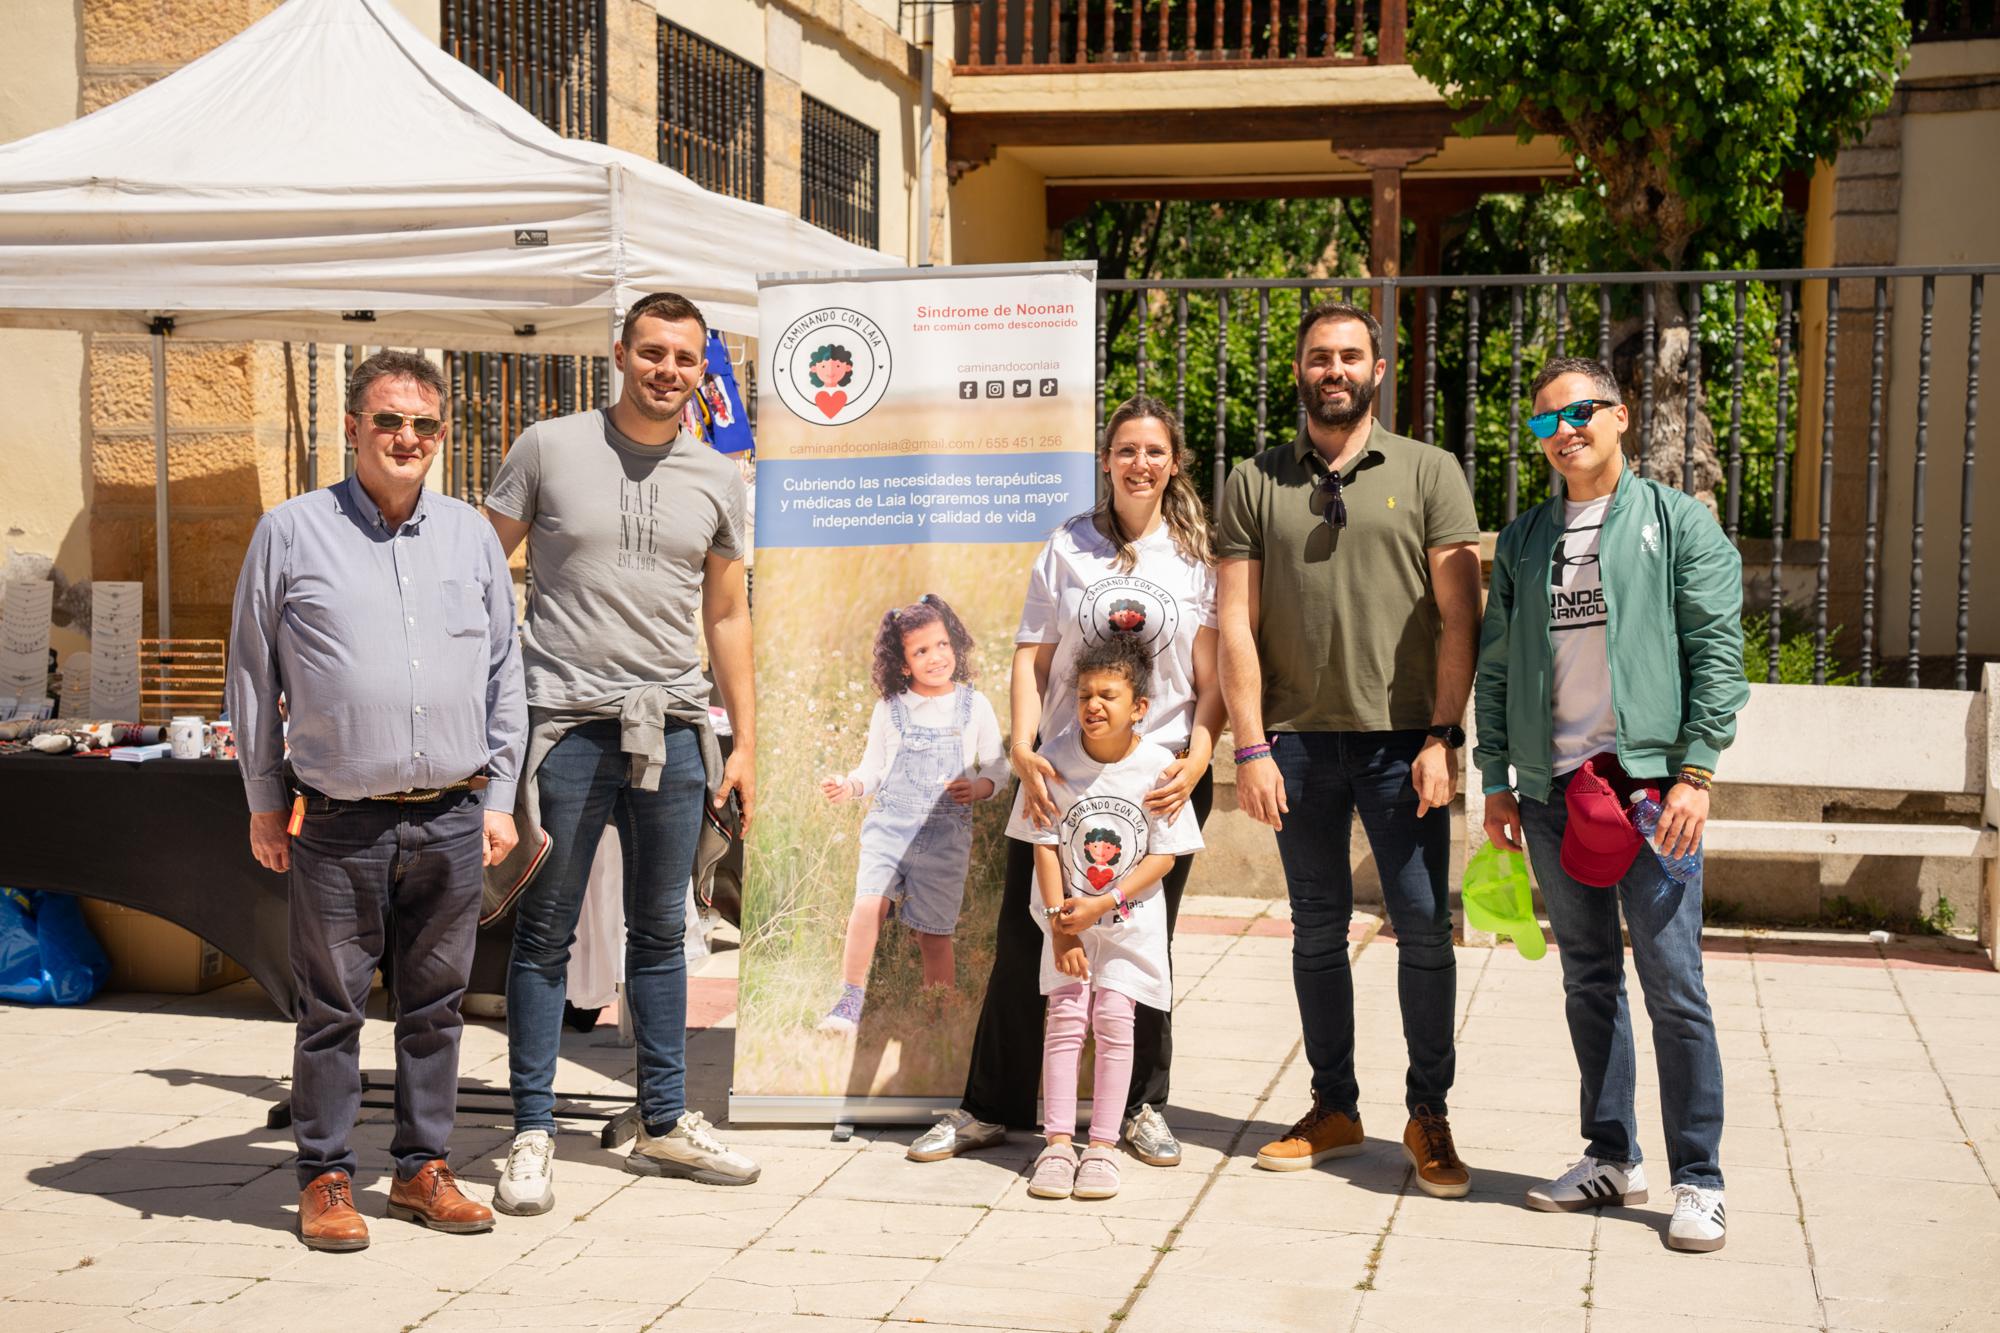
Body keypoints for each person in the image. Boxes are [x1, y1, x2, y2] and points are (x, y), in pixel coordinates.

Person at [226, 349, 525, 1252]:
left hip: (453, 814)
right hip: (339, 819)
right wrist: (262, 798)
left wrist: (501, 795)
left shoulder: (472, 536)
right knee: (331, 1009)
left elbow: (505, 672)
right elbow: (252, 672)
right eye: (389, 420)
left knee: (437, 1007)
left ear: (443, 435)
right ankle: (324, 1175)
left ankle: (421, 1169)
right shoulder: (289, 531)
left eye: (424, 424)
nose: (407, 437)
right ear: (353, 428)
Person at [482, 290, 760, 1214]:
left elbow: (727, 614)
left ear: (702, 368)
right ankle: (531, 1130)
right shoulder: (548, 446)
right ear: (619, 352)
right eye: (651, 352)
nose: (667, 370)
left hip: (673, 725)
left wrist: (744, 741)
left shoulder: (717, 475)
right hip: (561, 722)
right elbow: (478, 574)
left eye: (684, 357)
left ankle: (664, 1119)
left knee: (663, 930)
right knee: (544, 932)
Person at [1476, 356, 1747, 1253]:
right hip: (1554, 794)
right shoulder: (1523, 541)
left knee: (1675, 987)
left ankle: (1700, 1177)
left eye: (1580, 412)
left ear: (1621, 416)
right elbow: (1498, 666)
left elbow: (1717, 651)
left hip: (1654, 794)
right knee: (1588, 980)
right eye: (1545, 421)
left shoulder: (1678, 523)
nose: (1564, 431)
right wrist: (1497, 778)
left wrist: (1697, 774)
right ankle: (1611, 1155)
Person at [910, 394, 1223, 1170]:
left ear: (1174, 462)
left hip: (1159, 781)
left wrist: (1200, 754)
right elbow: (1032, 654)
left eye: (1155, 450)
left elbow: (1213, 677)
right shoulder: (1068, 545)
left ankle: (1142, 1107)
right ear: (1105, 460)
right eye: (1127, 450)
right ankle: (990, 1107)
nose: (1141, 463)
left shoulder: (1198, 557)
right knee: (1031, 936)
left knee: (1144, 944)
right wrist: (1022, 745)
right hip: (1063, 776)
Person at [1217, 299, 1483, 1198]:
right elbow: (1235, 622)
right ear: (1299, 369)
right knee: (1317, 929)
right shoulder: (1254, 479)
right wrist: (1249, 747)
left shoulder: (1430, 470)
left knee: (1424, 929)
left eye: (1349, 356)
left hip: (1404, 744)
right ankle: (1334, 1106)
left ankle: (1428, 1112)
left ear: (1378, 369)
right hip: (1294, 744)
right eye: (1319, 356)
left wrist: (1444, 734)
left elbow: (1460, 616)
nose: (1334, 369)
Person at [1012, 634, 1202, 1202]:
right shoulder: (1054, 758)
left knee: (1117, 1023)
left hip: (1128, 926)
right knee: (1066, 1019)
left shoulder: (1160, 767)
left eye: (1108, 696)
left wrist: (1105, 903)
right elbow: (1044, 844)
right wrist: (1061, 925)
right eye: (1084, 695)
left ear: (1139, 707)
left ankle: (1101, 1147)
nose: (1093, 705)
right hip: (1066, 925)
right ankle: (1056, 1145)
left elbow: (1164, 856)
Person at [816, 594, 1007, 1031]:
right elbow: (873, 769)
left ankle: (936, 1015)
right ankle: (850, 1000)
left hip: (946, 836)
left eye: (942, 645)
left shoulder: (974, 705)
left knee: (934, 934)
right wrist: (849, 786)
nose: (935, 657)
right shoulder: (890, 708)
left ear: (954, 644)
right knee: (868, 905)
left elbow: (997, 766)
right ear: (903, 664)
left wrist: (978, 788)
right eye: (921, 651)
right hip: (890, 827)